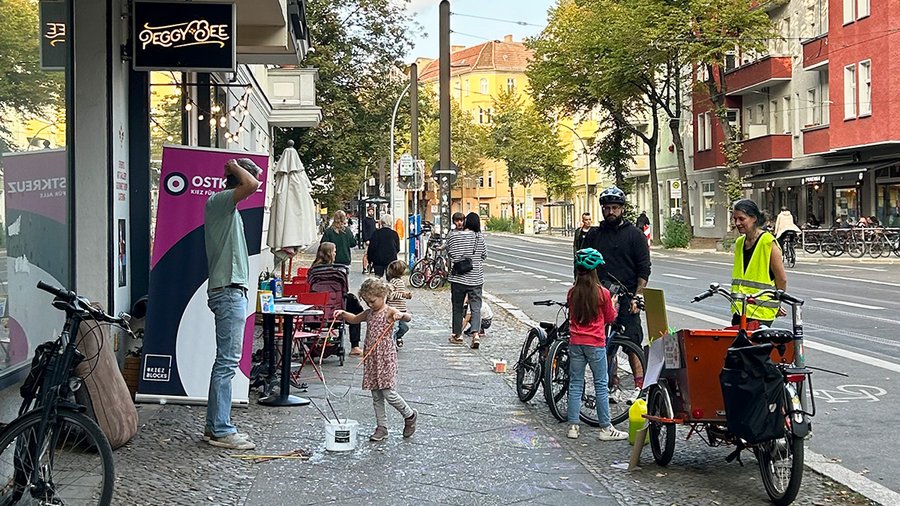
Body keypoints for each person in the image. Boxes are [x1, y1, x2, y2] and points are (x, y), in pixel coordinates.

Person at [203, 158, 260, 450]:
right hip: (228, 292)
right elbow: (252, 183)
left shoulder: (228, 208)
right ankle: (221, 429)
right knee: (226, 363)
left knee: (225, 362)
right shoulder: (220, 202)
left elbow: (252, 182)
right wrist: (233, 165)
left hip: (230, 291)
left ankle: (216, 426)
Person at [584, 186, 650, 399]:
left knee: (631, 342)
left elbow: (644, 269)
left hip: (627, 296)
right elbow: (583, 265)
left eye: (614, 207)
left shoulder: (635, 236)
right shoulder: (594, 235)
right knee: (603, 344)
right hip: (599, 296)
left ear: (622, 209)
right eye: (606, 208)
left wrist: (637, 296)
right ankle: (610, 385)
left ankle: (640, 387)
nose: (610, 211)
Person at [334, 278, 417, 442]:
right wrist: (343, 314)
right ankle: (382, 427)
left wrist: (401, 315)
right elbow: (354, 319)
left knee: (388, 392)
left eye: (372, 301)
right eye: (367, 302)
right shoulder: (368, 313)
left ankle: (409, 414)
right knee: (376, 395)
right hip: (372, 358)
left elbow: (408, 317)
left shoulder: (389, 311)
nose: (370, 305)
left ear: (383, 295)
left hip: (385, 358)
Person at [566, 248, 627, 441]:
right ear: (594, 271)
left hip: (576, 342)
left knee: (575, 384)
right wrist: (614, 304)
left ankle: (573, 427)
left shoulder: (572, 292)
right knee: (601, 384)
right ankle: (606, 428)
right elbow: (610, 318)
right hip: (595, 344)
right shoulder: (603, 293)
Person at [731, 199, 788, 327]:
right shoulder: (740, 243)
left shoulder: (768, 242)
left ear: (754, 218)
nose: (737, 223)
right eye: (735, 219)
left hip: (760, 312)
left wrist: (778, 302)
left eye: (741, 219)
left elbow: (781, 279)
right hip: (740, 310)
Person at [308, 242, 365, 356]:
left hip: (317, 311)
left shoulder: (313, 270)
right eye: (334, 251)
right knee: (354, 307)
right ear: (330, 254)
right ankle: (355, 346)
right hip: (336, 307)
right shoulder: (337, 271)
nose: (335, 253)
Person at [447, 212, 487, 349]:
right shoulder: (479, 237)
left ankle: (457, 335)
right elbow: (484, 256)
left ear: (465, 222)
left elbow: (451, 254)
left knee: (457, 307)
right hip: (476, 278)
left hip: (458, 278)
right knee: (476, 308)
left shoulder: (453, 236)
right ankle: (475, 334)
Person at [385, 260, 411, 349]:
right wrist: (402, 294)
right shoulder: (393, 282)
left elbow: (398, 293)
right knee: (395, 328)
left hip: (402, 309)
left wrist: (405, 295)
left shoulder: (400, 281)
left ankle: (398, 337)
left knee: (404, 327)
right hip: (394, 309)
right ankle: (392, 344)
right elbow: (390, 295)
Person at [360, 206, 377, 272]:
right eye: (370, 211)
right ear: (368, 212)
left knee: (373, 254)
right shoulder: (365, 220)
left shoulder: (373, 220)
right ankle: (364, 267)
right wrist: (366, 239)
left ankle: (371, 267)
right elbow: (364, 230)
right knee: (366, 253)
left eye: (372, 211)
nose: (371, 212)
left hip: (373, 239)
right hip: (367, 240)